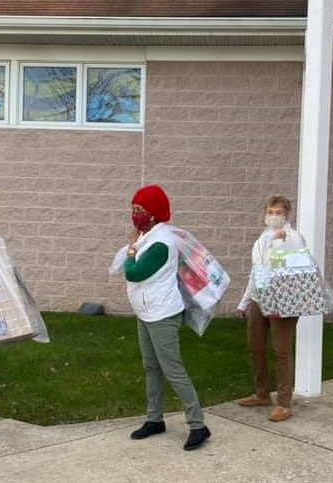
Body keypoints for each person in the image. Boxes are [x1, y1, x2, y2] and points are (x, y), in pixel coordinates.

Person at [122, 184, 211, 451]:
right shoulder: (147, 237)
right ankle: (154, 418)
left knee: (172, 369)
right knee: (151, 367)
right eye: (133, 210)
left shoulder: (161, 243)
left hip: (162, 314)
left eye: (140, 210)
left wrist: (130, 254)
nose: (135, 215)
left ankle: (198, 424)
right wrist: (134, 248)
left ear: (154, 213)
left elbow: (134, 273)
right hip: (146, 312)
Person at [236, 196, 305, 422]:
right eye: (270, 211)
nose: (273, 215)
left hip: (283, 299)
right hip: (260, 296)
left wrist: (281, 241)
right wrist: (245, 302)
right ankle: (261, 393)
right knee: (255, 346)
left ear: (286, 215)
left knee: (280, 350)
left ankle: (284, 402)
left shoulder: (293, 237)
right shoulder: (260, 239)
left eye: (278, 212)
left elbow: (294, 259)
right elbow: (256, 272)